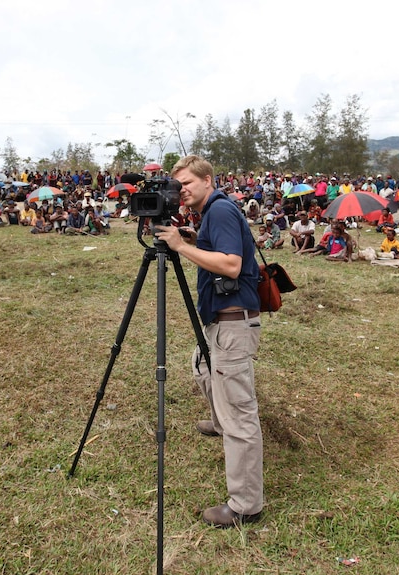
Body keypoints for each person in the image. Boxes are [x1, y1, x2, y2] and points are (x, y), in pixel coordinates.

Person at [154, 155, 263, 529]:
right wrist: (193, 240)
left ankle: (246, 505)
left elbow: (231, 265)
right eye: (176, 185)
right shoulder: (211, 215)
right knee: (202, 365)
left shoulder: (219, 210)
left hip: (233, 324)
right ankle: (220, 420)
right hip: (223, 320)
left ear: (206, 179)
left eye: (186, 183)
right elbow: (219, 252)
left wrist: (182, 248)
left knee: (240, 414)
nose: (180, 190)